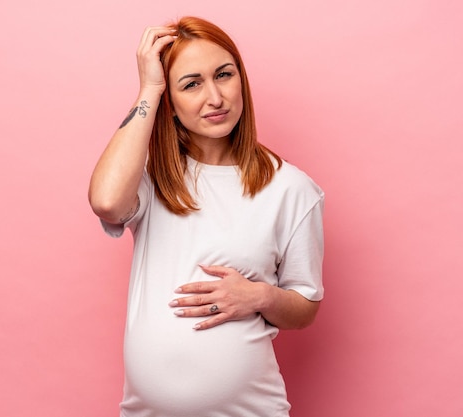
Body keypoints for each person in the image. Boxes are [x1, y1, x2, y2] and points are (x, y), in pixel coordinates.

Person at [89, 16, 324, 417]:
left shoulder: (291, 188)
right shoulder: (151, 176)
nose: (215, 97)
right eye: (191, 84)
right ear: (171, 101)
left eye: (224, 75)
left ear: (241, 80)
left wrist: (261, 296)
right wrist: (149, 87)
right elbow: (108, 202)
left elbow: (306, 305)